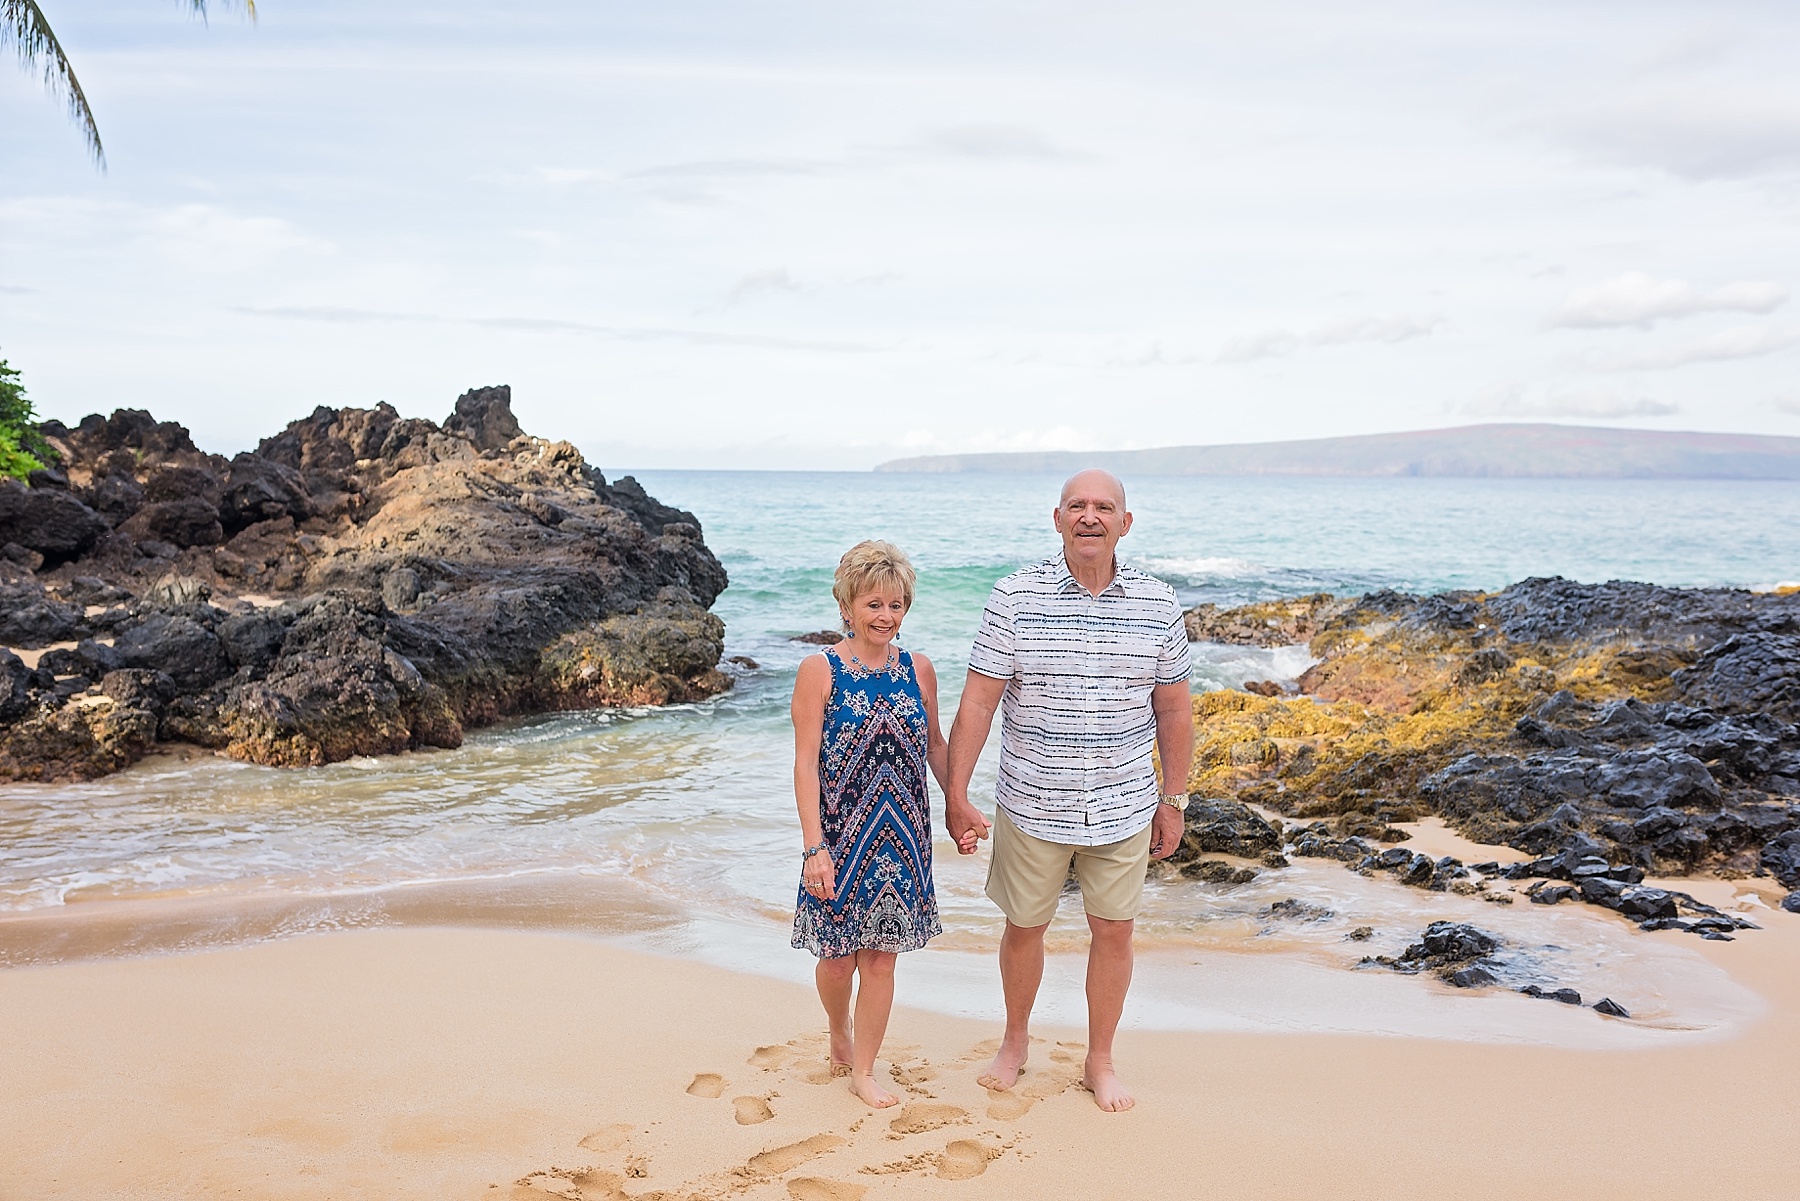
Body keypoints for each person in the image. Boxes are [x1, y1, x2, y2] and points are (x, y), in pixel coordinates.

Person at [943, 469, 1194, 1113]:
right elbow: (978, 704)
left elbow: (1173, 712)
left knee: (1114, 932)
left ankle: (1100, 1060)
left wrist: (1175, 798)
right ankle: (1015, 1042)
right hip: (1031, 800)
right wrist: (956, 793)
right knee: (1024, 927)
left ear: (1125, 524)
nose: (1090, 517)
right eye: (1077, 506)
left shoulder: (1159, 604)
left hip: (1125, 803)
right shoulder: (1014, 597)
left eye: (1103, 507)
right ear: (1056, 518)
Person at [791, 539, 950, 1108]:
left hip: (903, 835)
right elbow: (805, 763)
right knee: (836, 959)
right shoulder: (820, 670)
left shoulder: (920, 669)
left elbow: (934, 745)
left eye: (896, 605)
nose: (885, 616)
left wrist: (960, 802)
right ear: (848, 606)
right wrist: (815, 847)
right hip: (839, 835)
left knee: (881, 957)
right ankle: (839, 1031)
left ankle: (864, 1069)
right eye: (874, 604)